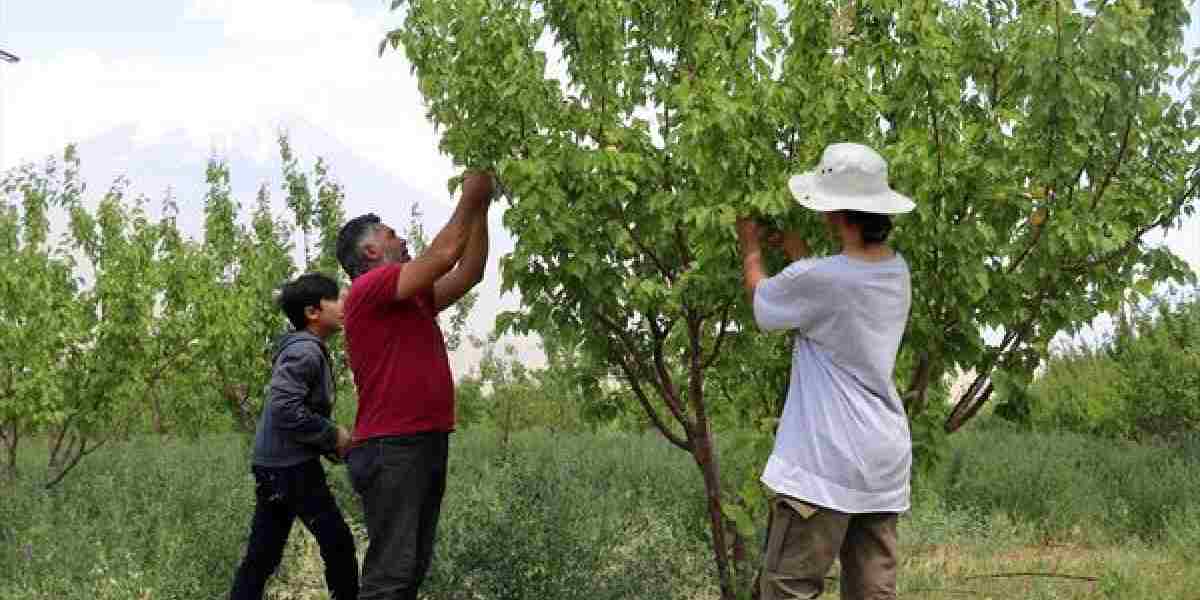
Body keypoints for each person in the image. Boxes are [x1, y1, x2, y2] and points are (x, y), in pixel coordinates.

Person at [736, 143, 916, 600]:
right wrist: (803, 259)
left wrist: (751, 248)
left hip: (825, 462)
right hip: (882, 463)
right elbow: (838, 310)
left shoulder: (822, 278)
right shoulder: (897, 271)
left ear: (837, 212)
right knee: (873, 592)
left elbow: (764, 305)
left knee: (790, 588)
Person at [335, 171, 495, 600]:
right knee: (391, 577)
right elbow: (444, 254)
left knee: (409, 571)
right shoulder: (370, 288)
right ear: (371, 250)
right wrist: (470, 195)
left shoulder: (409, 298)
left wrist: (480, 209)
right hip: (393, 448)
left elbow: (469, 271)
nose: (401, 239)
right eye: (391, 235)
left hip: (419, 443)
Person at [230, 272, 358, 600]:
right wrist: (332, 436)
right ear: (313, 312)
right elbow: (285, 408)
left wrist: (333, 442)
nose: (345, 304)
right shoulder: (305, 351)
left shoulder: (305, 348)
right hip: (291, 468)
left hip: (276, 464)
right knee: (338, 543)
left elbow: (296, 411)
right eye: (337, 298)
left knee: (262, 556)